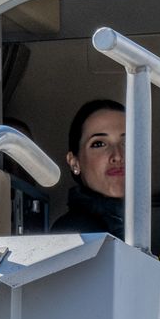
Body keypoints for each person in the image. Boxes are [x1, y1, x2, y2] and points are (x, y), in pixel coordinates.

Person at [53, 98, 126, 236]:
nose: (117, 156)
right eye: (99, 144)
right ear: (74, 162)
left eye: (127, 142)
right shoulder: (74, 232)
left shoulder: (135, 225)